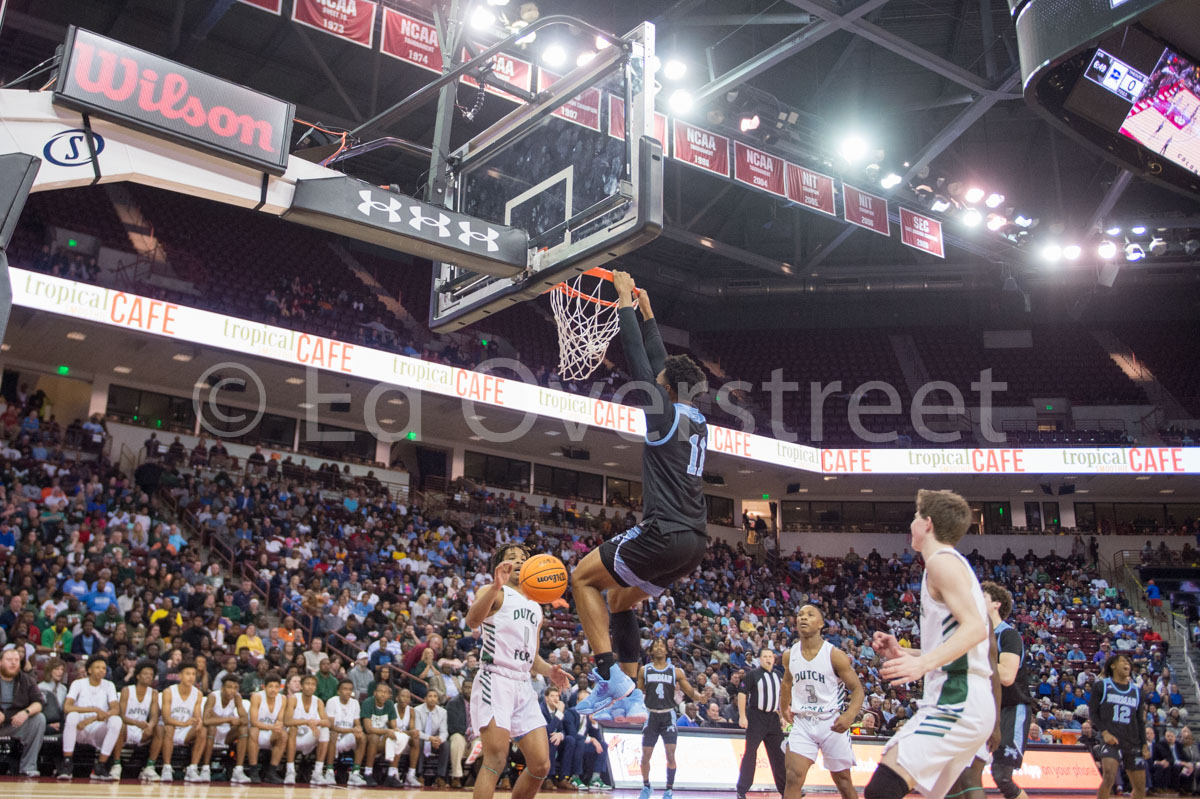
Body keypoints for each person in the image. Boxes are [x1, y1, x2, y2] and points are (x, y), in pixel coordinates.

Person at [572, 274, 710, 719]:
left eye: (661, 380)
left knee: (581, 578)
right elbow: (659, 365)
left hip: (663, 532)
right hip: (695, 544)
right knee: (619, 600)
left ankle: (608, 673)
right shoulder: (695, 419)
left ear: (665, 388)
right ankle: (626, 695)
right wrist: (650, 314)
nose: (656, 378)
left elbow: (638, 360)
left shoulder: (663, 416)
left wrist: (626, 301)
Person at [868, 490, 995, 799]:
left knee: (882, 789)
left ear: (927, 523)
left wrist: (921, 664)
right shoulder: (947, 564)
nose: (911, 523)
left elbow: (976, 629)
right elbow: (957, 645)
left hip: (959, 698)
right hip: (961, 696)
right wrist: (905, 652)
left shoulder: (941, 562)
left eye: (915, 517)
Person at [464, 543, 570, 799]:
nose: (520, 561)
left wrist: (550, 672)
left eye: (524, 558)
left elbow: (533, 659)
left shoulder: (536, 607)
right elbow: (472, 621)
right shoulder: (493, 592)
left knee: (541, 764)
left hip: (523, 684)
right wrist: (495, 586)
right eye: (512, 558)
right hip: (495, 677)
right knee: (496, 760)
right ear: (501, 566)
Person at [781, 605, 865, 799]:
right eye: (800, 614)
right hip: (803, 721)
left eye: (810, 615)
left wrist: (850, 715)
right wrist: (784, 706)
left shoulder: (834, 655)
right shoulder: (789, 655)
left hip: (831, 722)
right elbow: (787, 682)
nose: (803, 618)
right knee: (793, 777)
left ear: (820, 624)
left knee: (843, 782)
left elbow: (858, 689)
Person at [978, 582, 1033, 799]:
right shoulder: (975, 635)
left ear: (996, 604)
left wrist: (974, 658)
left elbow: (1008, 676)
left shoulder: (1008, 635)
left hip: (1011, 709)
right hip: (985, 710)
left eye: (981, 596)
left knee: (1001, 775)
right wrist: (902, 652)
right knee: (961, 771)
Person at [629, 637, 701, 799]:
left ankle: (669, 789)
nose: (660, 648)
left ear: (666, 650)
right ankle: (646, 786)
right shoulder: (644, 670)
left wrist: (699, 696)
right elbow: (639, 693)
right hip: (651, 715)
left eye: (662, 646)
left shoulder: (675, 671)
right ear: (652, 651)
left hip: (668, 716)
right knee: (645, 755)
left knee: (670, 754)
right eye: (656, 646)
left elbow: (690, 692)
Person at [1090, 654, 1148, 799]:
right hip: (1111, 739)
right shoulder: (1102, 685)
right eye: (1123, 661)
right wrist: (1104, 733)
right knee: (1109, 775)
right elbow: (1093, 713)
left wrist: (1144, 744)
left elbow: (1140, 721)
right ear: (1113, 665)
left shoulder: (1136, 691)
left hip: (1132, 740)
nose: (1127, 663)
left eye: (1128, 661)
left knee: (1140, 788)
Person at [59, 655, 123, 781]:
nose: (101, 670)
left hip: (97, 729)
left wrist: (91, 719)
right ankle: (67, 764)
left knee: (116, 720)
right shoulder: (78, 684)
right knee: (72, 716)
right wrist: (95, 710)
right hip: (78, 729)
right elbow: (67, 707)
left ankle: (100, 766)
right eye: (97, 667)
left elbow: (116, 709)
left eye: (104, 668)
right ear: (89, 670)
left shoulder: (109, 685)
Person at [738, 647, 789, 799]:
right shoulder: (753, 675)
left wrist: (783, 715)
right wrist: (742, 716)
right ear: (760, 659)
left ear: (774, 659)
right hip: (756, 717)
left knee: (779, 756)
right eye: (765, 656)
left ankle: (786, 790)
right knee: (750, 754)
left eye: (770, 656)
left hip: (773, 719)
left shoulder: (778, 675)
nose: (768, 659)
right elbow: (742, 694)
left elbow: (781, 697)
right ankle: (742, 789)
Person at [150, 660, 207, 782]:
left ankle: (192, 768)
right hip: (168, 729)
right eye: (188, 674)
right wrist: (184, 723)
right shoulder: (169, 692)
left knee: (202, 730)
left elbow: (197, 717)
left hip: (185, 731)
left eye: (193, 674)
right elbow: (166, 719)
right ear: (180, 675)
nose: (191, 677)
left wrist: (199, 722)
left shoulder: (198, 694)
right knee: (170, 727)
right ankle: (166, 767)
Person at [0, 647, 45, 778]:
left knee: (39, 719)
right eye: (9, 660)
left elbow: (39, 703)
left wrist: (26, 712)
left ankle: (28, 767)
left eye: (16, 660)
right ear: (0, 662)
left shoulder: (26, 679)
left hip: (14, 723)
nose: (13, 663)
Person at [202, 671, 250, 783]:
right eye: (229, 687)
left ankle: (238, 770)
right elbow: (206, 720)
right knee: (212, 727)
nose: (232, 691)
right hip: (211, 733)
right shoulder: (213, 696)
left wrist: (219, 718)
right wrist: (228, 719)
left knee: (244, 729)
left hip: (227, 733)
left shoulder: (237, 697)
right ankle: (205, 769)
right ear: (222, 688)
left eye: (235, 688)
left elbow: (245, 720)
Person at [116, 660, 159, 782]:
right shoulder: (127, 690)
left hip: (143, 730)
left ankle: (150, 766)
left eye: (151, 674)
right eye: (145, 673)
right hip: (128, 727)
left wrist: (150, 726)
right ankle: (116, 764)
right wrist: (136, 723)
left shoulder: (154, 693)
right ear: (138, 675)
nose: (148, 676)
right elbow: (121, 715)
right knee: (119, 724)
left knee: (159, 729)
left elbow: (154, 716)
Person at [283, 673, 330, 785]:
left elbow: (327, 722)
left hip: (309, 738)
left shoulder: (318, 701)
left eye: (313, 684)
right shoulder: (293, 699)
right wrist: (307, 722)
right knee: (293, 728)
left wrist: (317, 722)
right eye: (307, 684)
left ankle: (317, 773)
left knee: (325, 730)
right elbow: (287, 721)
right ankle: (290, 771)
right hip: (293, 739)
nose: (310, 686)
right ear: (302, 686)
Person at [323, 678, 367, 787]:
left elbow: (357, 723)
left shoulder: (355, 703)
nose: (348, 692)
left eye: (350, 690)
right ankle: (329, 771)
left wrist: (358, 729)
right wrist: (351, 730)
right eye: (345, 689)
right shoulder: (332, 701)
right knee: (333, 734)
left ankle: (355, 773)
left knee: (362, 736)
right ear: (339, 691)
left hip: (346, 737)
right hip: (332, 739)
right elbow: (331, 726)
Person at [247, 671, 287, 784]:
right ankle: (254, 771)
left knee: (283, 734)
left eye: (276, 687)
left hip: (271, 732)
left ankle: (272, 772)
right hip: (257, 731)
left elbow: (280, 720)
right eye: (270, 686)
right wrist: (272, 727)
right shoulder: (257, 696)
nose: (273, 689)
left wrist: (279, 726)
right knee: (254, 731)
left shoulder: (283, 699)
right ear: (264, 687)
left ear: (280, 688)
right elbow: (254, 722)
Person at [414, 688, 450, 786]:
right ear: (425, 699)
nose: (432, 699)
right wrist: (430, 738)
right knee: (418, 742)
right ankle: (419, 775)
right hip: (423, 739)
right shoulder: (417, 710)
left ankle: (440, 776)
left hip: (435, 742)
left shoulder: (443, 712)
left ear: (437, 699)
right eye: (430, 696)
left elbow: (444, 732)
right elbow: (418, 732)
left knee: (446, 745)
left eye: (435, 696)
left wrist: (439, 740)